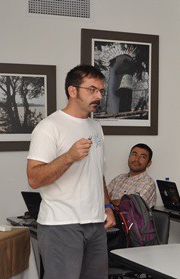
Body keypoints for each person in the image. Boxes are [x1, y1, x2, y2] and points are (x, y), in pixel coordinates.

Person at [26, 65, 115, 279]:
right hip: (61, 225)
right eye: (92, 90)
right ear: (72, 91)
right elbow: (34, 178)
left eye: (101, 91)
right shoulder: (49, 127)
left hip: (95, 224)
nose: (98, 96)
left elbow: (97, 173)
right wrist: (68, 157)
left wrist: (108, 205)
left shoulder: (96, 128)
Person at [106, 143, 156, 208]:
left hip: (128, 218)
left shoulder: (148, 183)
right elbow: (103, 197)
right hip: (108, 215)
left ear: (149, 163)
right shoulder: (119, 178)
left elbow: (129, 204)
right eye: (134, 155)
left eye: (143, 157)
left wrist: (108, 202)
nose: (137, 159)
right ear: (129, 158)